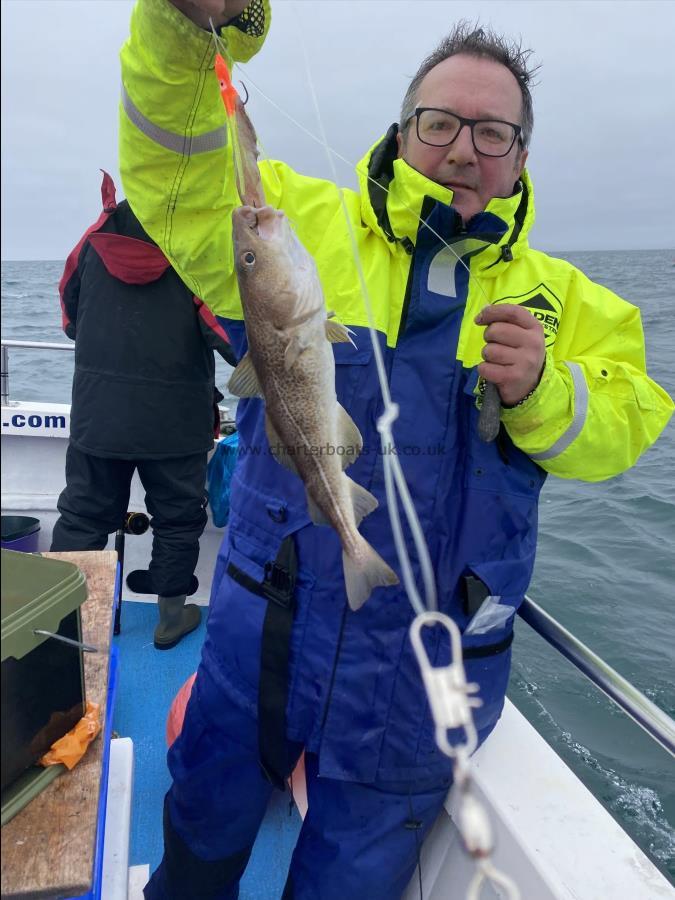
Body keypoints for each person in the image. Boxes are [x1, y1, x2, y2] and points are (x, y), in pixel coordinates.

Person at [118, 1, 674, 896]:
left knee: (352, 876)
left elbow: (632, 417)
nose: (462, 148)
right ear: (402, 129)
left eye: (492, 131)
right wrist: (185, 31)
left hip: (431, 666)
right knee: (203, 824)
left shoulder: (564, 300)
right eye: (439, 122)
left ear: (522, 155)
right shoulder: (294, 224)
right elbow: (172, 171)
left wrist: (544, 391)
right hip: (267, 619)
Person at [50, 170, 237, 650]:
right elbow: (229, 340)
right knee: (177, 518)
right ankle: (171, 618)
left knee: (84, 515)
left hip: (99, 415)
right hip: (176, 423)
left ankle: (64, 625)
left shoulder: (95, 239)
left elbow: (70, 316)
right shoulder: (195, 252)